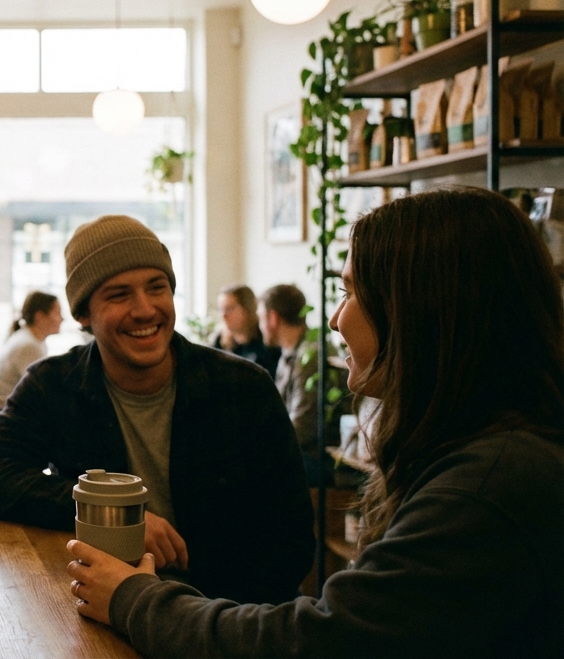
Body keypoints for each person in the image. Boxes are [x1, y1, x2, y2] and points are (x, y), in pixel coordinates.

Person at [71, 187, 564, 657]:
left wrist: (132, 597)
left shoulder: (484, 488)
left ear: (418, 311)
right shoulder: (485, 451)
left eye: (350, 294)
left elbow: (318, 643)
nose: (335, 320)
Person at [0, 215, 313, 606]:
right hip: (107, 611)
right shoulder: (56, 385)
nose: (145, 309)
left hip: (226, 617)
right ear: (83, 315)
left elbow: (291, 543)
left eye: (157, 287)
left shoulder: (243, 388)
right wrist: (112, 517)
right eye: (118, 295)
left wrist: (189, 622)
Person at [259, 283, 323, 483]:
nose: (259, 326)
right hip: (300, 452)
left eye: (261, 317)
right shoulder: (288, 353)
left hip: (316, 458)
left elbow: (301, 427)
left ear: (273, 318)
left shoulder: (310, 356)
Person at [0, 291, 63, 409]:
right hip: (6, 413)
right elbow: (41, 390)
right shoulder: (29, 345)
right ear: (40, 317)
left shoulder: (30, 338)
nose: (62, 319)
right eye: (57, 313)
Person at [213, 284, 280, 378]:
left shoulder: (267, 340)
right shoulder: (220, 341)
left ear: (248, 309)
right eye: (221, 309)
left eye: (229, 309)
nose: (223, 315)